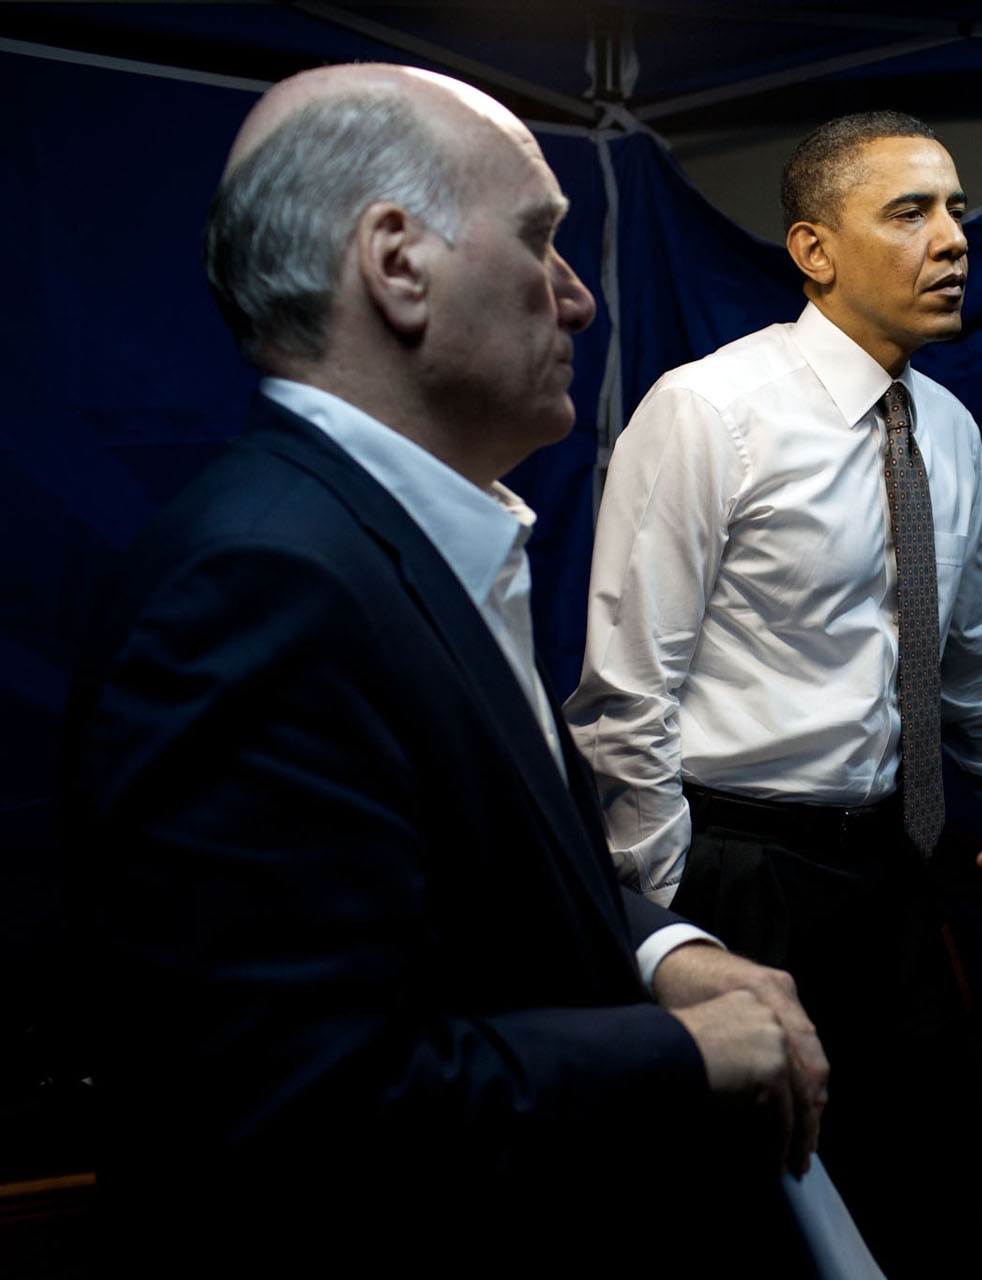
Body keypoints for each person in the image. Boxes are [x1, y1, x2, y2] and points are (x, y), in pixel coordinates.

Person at [58, 63, 827, 1272]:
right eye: (538, 242)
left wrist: (664, 950)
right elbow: (304, 1115)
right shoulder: (260, 587)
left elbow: (485, 868)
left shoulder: (393, 539)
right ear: (397, 264)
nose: (576, 298)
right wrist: (690, 1053)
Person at [564, 110, 982, 1275]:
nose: (952, 239)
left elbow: (971, 658)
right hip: (741, 868)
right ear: (814, 249)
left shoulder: (946, 427)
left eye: (956, 210)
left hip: (897, 862)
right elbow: (626, 690)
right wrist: (666, 917)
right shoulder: (709, 412)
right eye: (911, 212)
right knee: (740, 1201)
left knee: (922, 1176)